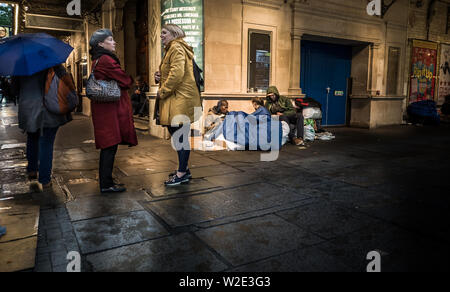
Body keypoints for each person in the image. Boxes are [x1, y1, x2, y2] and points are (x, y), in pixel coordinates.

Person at [89, 29, 138, 193]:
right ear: (100, 44)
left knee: (109, 145)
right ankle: (106, 184)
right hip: (108, 110)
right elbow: (124, 79)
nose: (114, 42)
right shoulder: (106, 60)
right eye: (110, 40)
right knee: (109, 145)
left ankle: (107, 181)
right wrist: (131, 79)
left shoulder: (97, 59)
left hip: (104, 108)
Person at [154, 24, 202, 186]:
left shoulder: (176, 48)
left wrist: (164, 90)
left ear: (174, 34)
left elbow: (177, 73)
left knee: (180, 138)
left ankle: (181, 174)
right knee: (178, 137)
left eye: (164, 33)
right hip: (177, 99)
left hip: (179, 100)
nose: (161, 36)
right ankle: (184, 168)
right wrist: (159, 76)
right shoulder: (173, 48)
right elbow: (173, 71)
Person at [13, 66, 72, 189]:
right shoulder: (52, 62)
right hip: (49, 107)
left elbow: (14, 89)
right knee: (46, 143)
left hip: (29, 107)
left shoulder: (20, 64)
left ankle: (32, 170)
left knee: (32, 137)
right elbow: (66, 81)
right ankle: (45, 179)